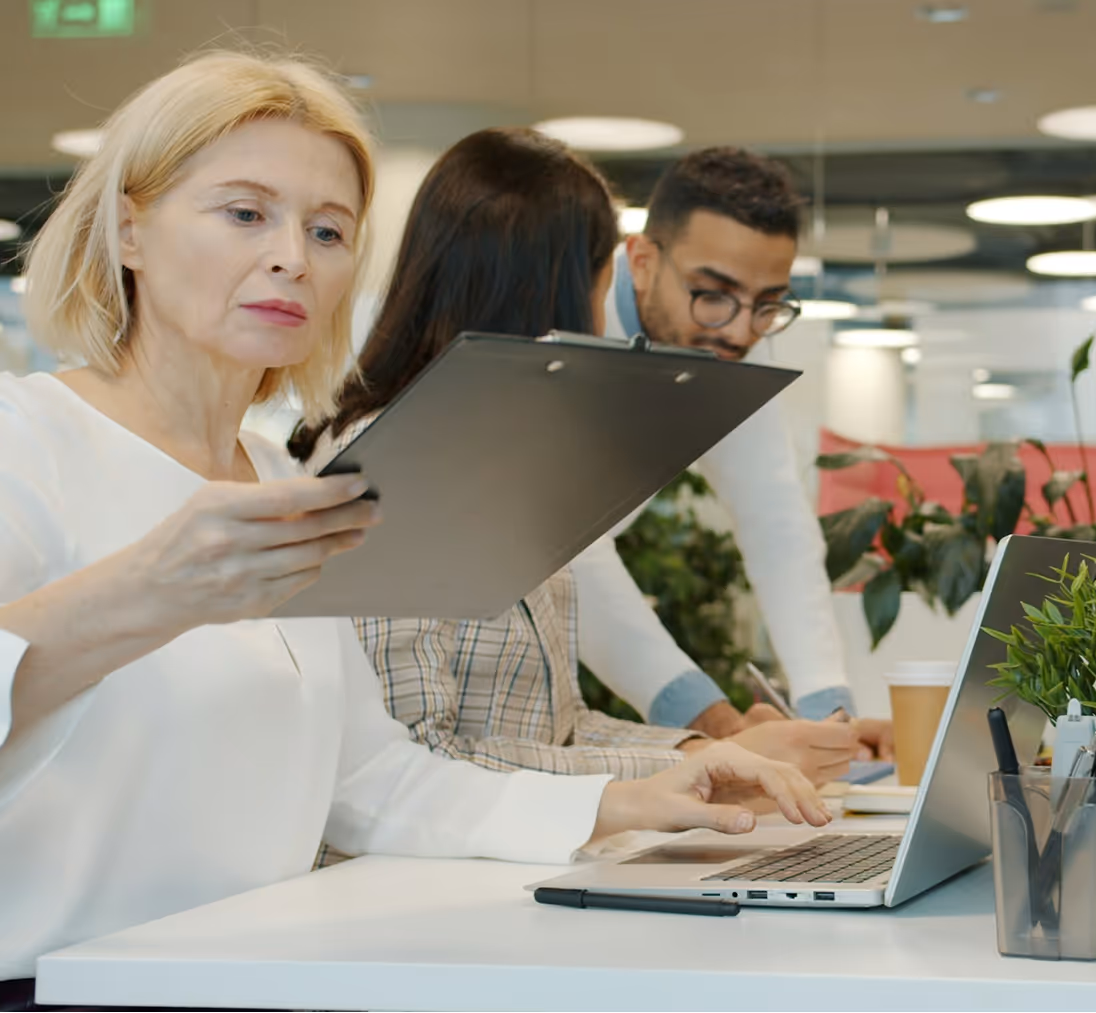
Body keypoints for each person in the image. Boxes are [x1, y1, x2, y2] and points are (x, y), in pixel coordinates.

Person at [0, 54, 830, 995]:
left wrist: (625, 795)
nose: (291, 257)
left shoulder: (276, 477)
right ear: (128, 228)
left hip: (251, 975)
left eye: (328, 230)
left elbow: (371, 782)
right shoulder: (26, 442)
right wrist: (146, 593)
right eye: (244, 213)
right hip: (59, 985)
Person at [290, 128, 857, 804]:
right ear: (560, 291)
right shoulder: (393, 471)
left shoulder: (516, 461)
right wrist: (704, 760)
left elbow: (557, 727)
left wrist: (717, 753)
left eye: (764, 307)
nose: (738, 330)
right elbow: (413, 763)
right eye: (598, 279)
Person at [571, 148, 896, 758]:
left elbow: (776, 524)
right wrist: (715, 720)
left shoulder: (732, 335)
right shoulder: (562, 317)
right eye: (712, 294)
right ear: (641, 261)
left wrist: (827, 717)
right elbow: (563, 553)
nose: (742, 332)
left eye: (768, 303)